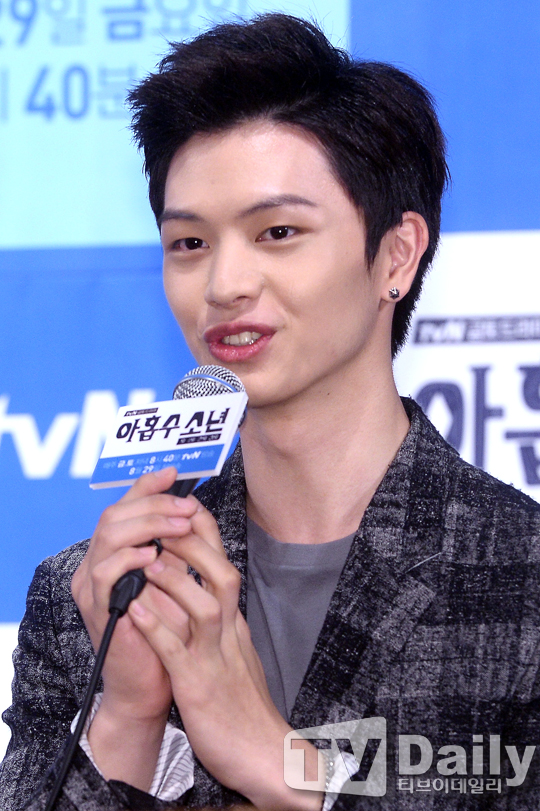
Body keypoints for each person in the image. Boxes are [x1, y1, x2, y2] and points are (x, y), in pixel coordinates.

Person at [2, 12, 540, 811]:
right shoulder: (91, 595)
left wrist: (280, 762)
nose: (224, 285)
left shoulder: (520, 580)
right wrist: (129, 718)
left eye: (277, 231)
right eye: (190, 244)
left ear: (396, 254)